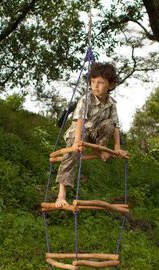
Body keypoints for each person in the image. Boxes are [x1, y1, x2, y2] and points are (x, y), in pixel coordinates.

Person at [55, 62, 128, 207]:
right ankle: (61, 195)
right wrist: (76, 142)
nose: (95, 86)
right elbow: (80, 120)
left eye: (100, 82)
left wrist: (117, 147)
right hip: (78, 132)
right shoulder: (86, 99)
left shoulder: (112, 104)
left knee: (109, 124)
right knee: (70, 157)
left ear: (111, 85)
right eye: (93, 82)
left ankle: (99, 149)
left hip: (94, 134)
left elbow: (115, 126)